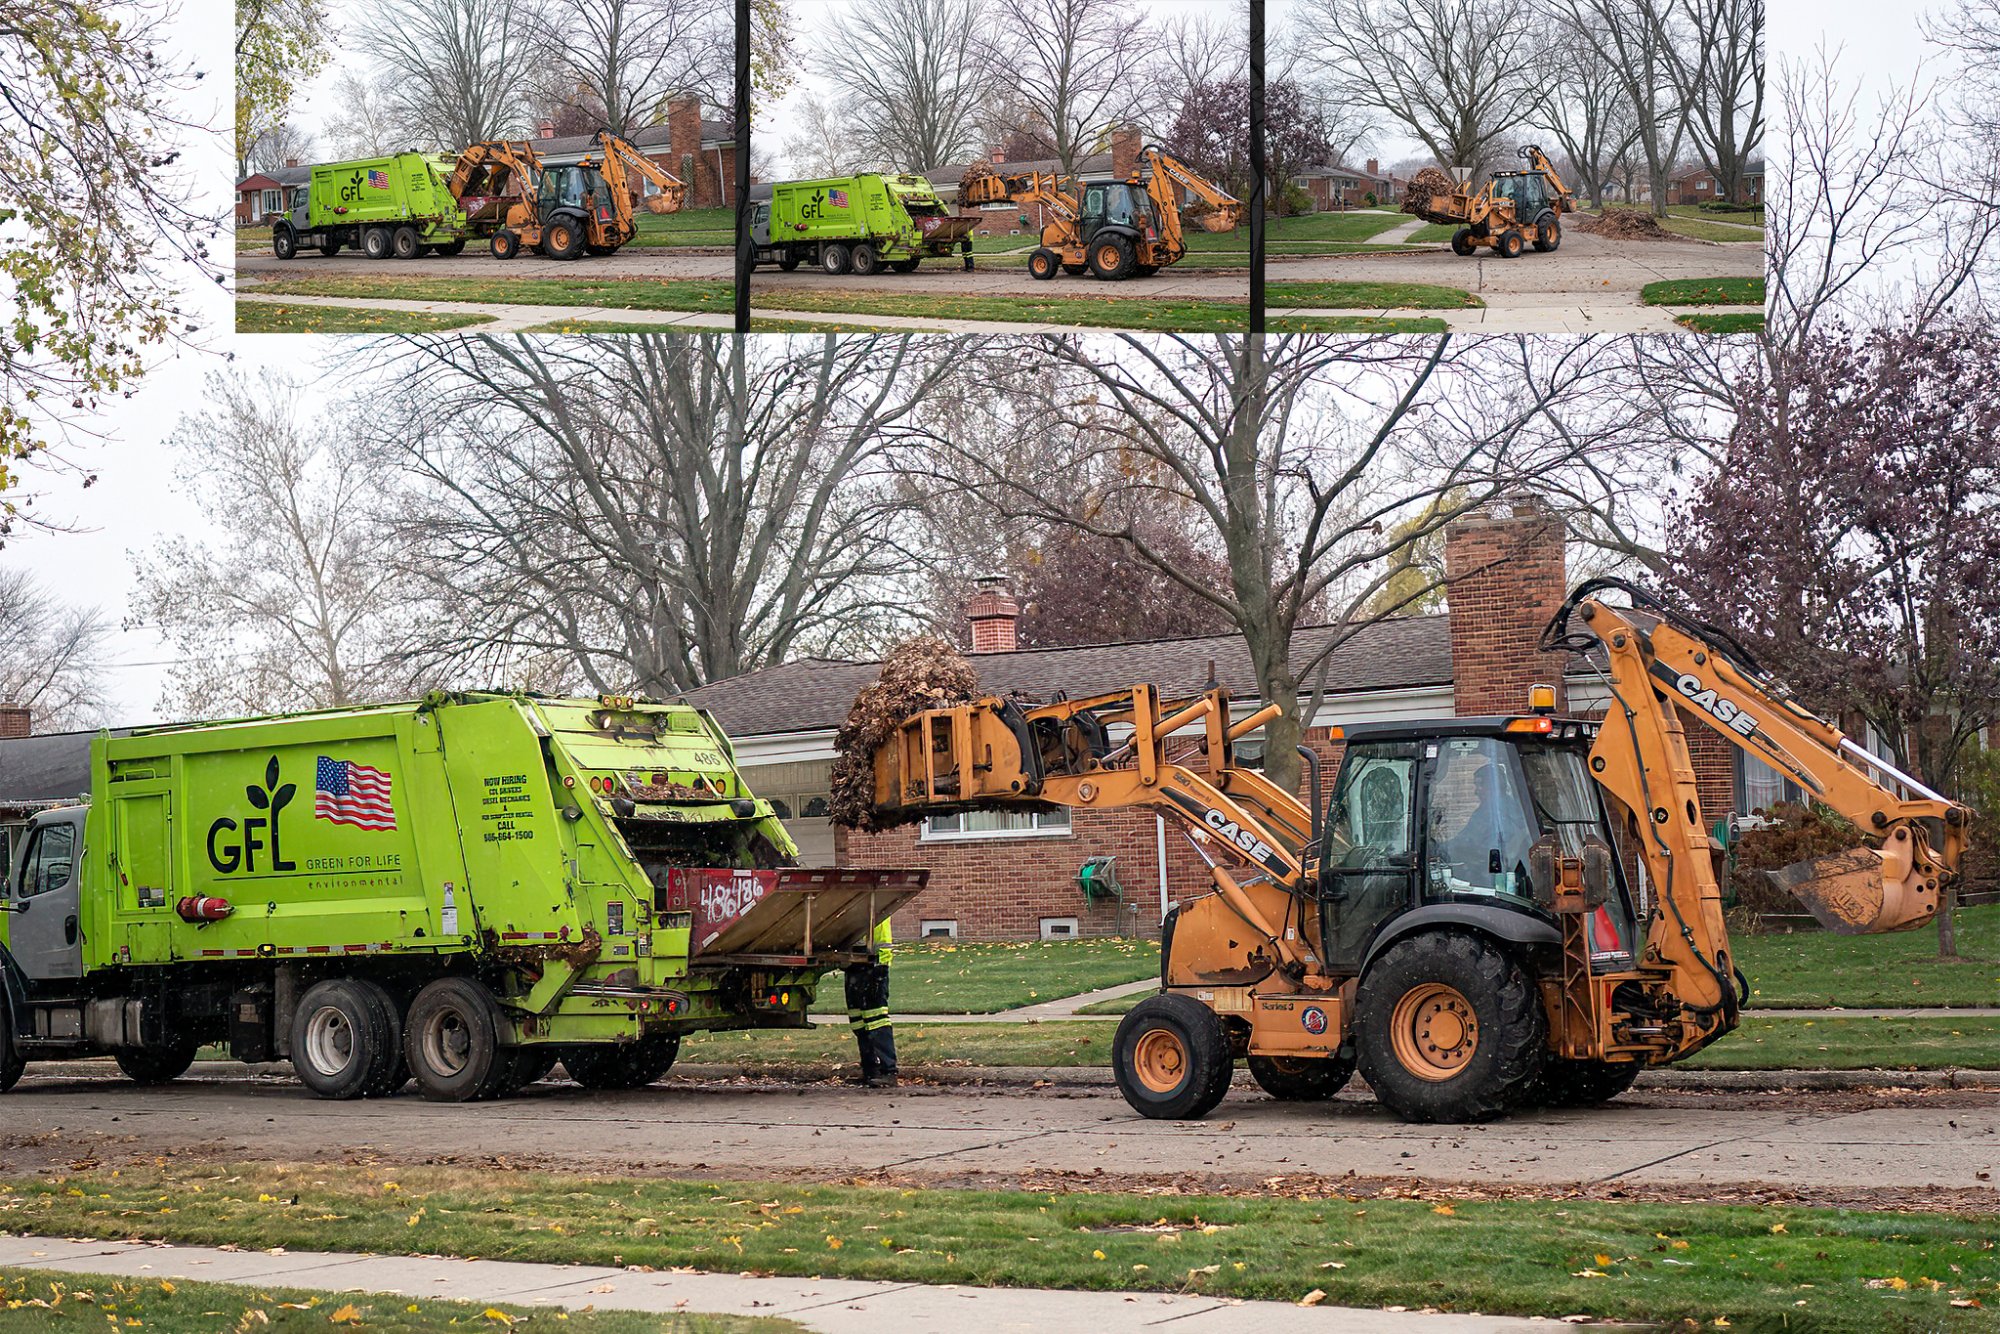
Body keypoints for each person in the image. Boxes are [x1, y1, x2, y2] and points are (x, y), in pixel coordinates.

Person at [846, 917, 897, 1088]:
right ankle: (870, 1070)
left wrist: (881, 964)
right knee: (858, 1021)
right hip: (856, 961)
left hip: (873, 963)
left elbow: (882, 938)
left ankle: (888, 1070)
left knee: (877, 1020)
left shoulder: (879, 902)